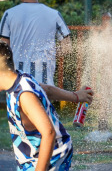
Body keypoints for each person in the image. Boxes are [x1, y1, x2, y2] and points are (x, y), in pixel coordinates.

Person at [0, 41, 93, 171]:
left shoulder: (24, 96)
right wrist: (76, 96)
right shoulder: (21, 78)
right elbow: (47, 90)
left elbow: (49, 132)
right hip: (36, 158)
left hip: (49, 161)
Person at [0, 0, 71, 85]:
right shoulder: (54, 15)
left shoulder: (9, 14)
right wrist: (50, 53)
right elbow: (67, 47)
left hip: (17, 80)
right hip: (45, 81)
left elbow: (3, 48)